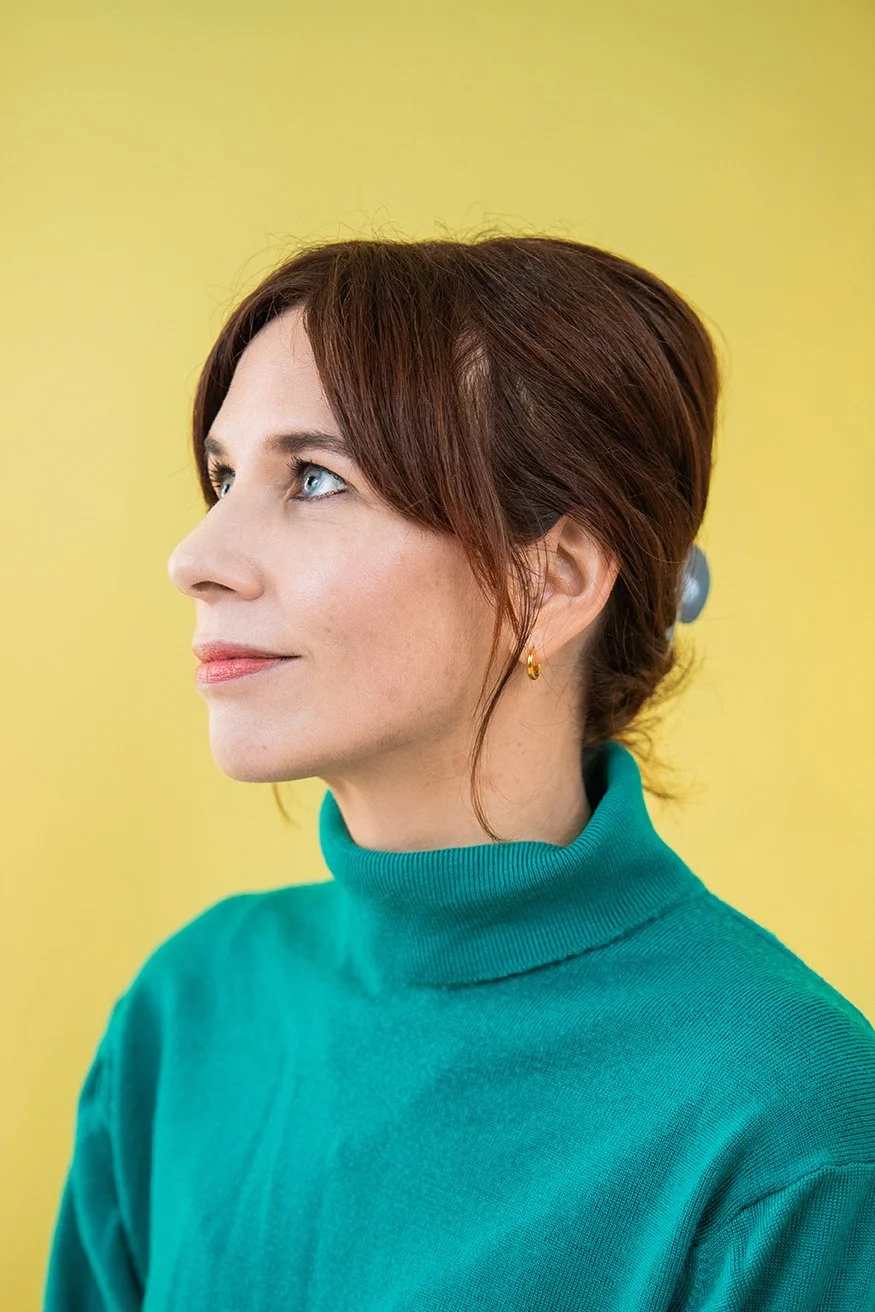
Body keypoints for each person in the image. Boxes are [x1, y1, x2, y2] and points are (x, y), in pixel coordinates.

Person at [44, 234, 875, 1309]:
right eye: (220, 475)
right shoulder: (189, 1014)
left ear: (554, 580)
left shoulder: (792, 1131)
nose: (195, 554)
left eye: (312, 478)